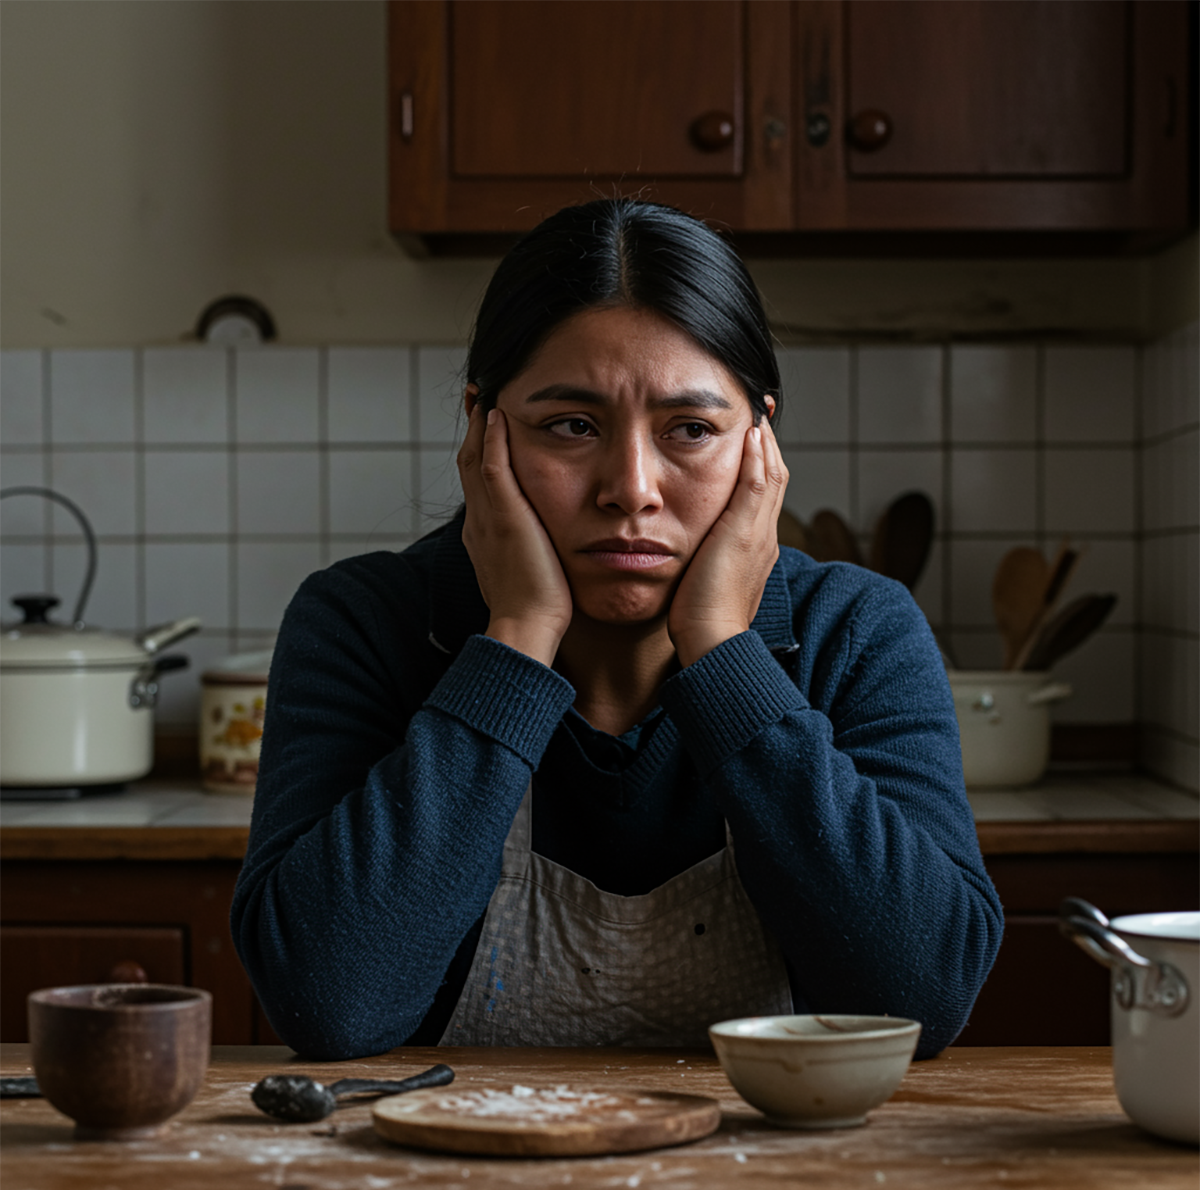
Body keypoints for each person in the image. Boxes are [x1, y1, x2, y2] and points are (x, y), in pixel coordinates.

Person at [231, 198, 1002, 1061]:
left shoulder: (856, 629)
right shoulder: (364, 623)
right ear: (483, 425)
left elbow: (923, 999)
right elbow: (329, 1005)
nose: (631, 487)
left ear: (759, 445)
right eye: (572, 426)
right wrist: (517, 637)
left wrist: (721, 649)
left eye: (690, 430)